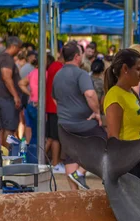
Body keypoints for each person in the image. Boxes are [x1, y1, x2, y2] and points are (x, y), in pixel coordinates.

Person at [53, 41, 103, 190]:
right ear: (76, 56)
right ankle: (80, 172)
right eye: (81, 54)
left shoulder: (58, 75)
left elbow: (54, 98)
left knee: (71, 156)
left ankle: (74, 194)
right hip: (83, 123)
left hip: (64, 123)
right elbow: (89, 94)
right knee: (103, 143)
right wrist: (97, 112)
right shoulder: (81, 74)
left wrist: (65, 112)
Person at [104, 48, 140, 183]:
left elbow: (137, 129)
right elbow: (113, 137)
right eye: (138, 69)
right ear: (125, 69)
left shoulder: (131, 93)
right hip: (127, 161)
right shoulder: (115, 95)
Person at [0, 36, 23, 148]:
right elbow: (6, 77)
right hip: (6, 98)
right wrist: (15, 96)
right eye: (19, 48)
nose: (19, 51)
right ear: (13, 46)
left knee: (3, 127)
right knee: (9, 129)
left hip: (2, 96)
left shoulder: (1, 57)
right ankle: (6, 157)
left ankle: (0, 154)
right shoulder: (7, 59)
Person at [46, 50, 64, 170]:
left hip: (51, 106)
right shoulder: (59, 68)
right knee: (55, 137)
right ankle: (55, 163)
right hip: (55, 107)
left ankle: (50, 161)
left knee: (52, 137)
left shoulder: (54, 66)